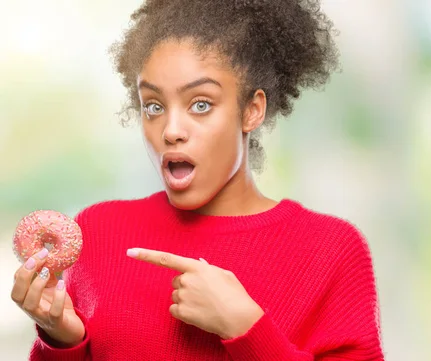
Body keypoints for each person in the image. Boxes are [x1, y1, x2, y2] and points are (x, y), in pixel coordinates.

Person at [11, 0, 385, 359]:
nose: (171, 130)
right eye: (154, 106)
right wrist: (61, 343)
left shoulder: (331, 250)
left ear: (251, 110)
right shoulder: (98, 231)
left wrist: (246, 328)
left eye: (200, 104)